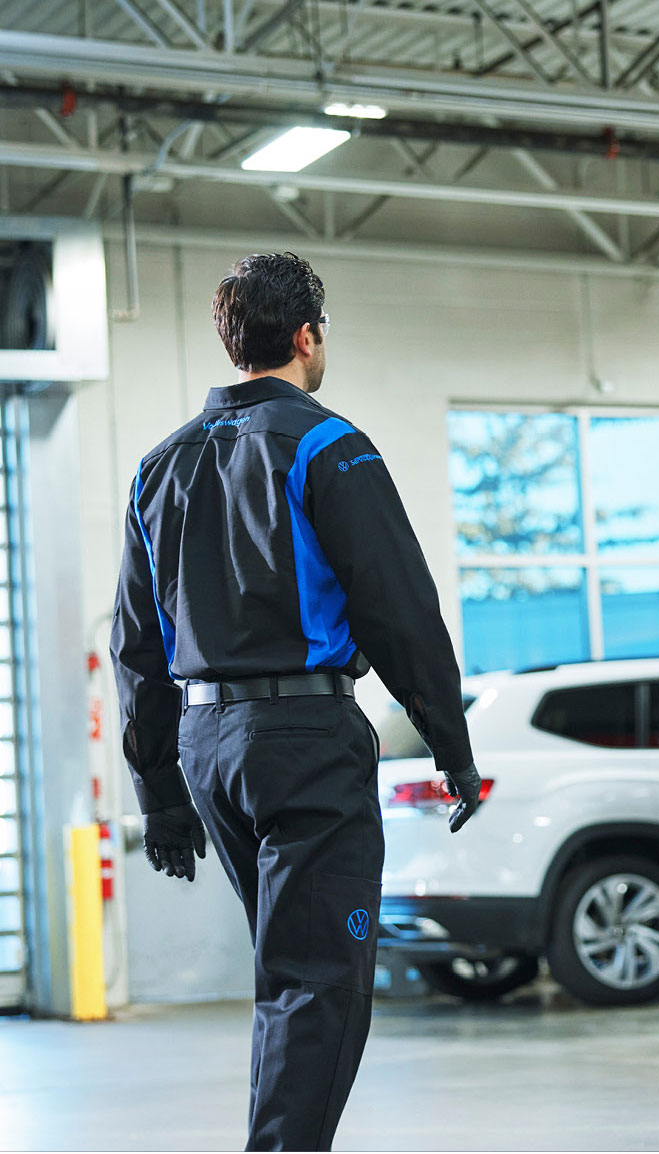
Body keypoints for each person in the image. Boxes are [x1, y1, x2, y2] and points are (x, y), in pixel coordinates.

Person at [109, 252, 481, 1151]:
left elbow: (136, 646)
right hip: (305, 739)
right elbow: (398, 606)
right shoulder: (326, 443)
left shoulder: (158, 468)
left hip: (208, 749)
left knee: (290, 972)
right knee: (319, 983)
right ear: (308, 334)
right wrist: (451, 745)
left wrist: (160, 794)